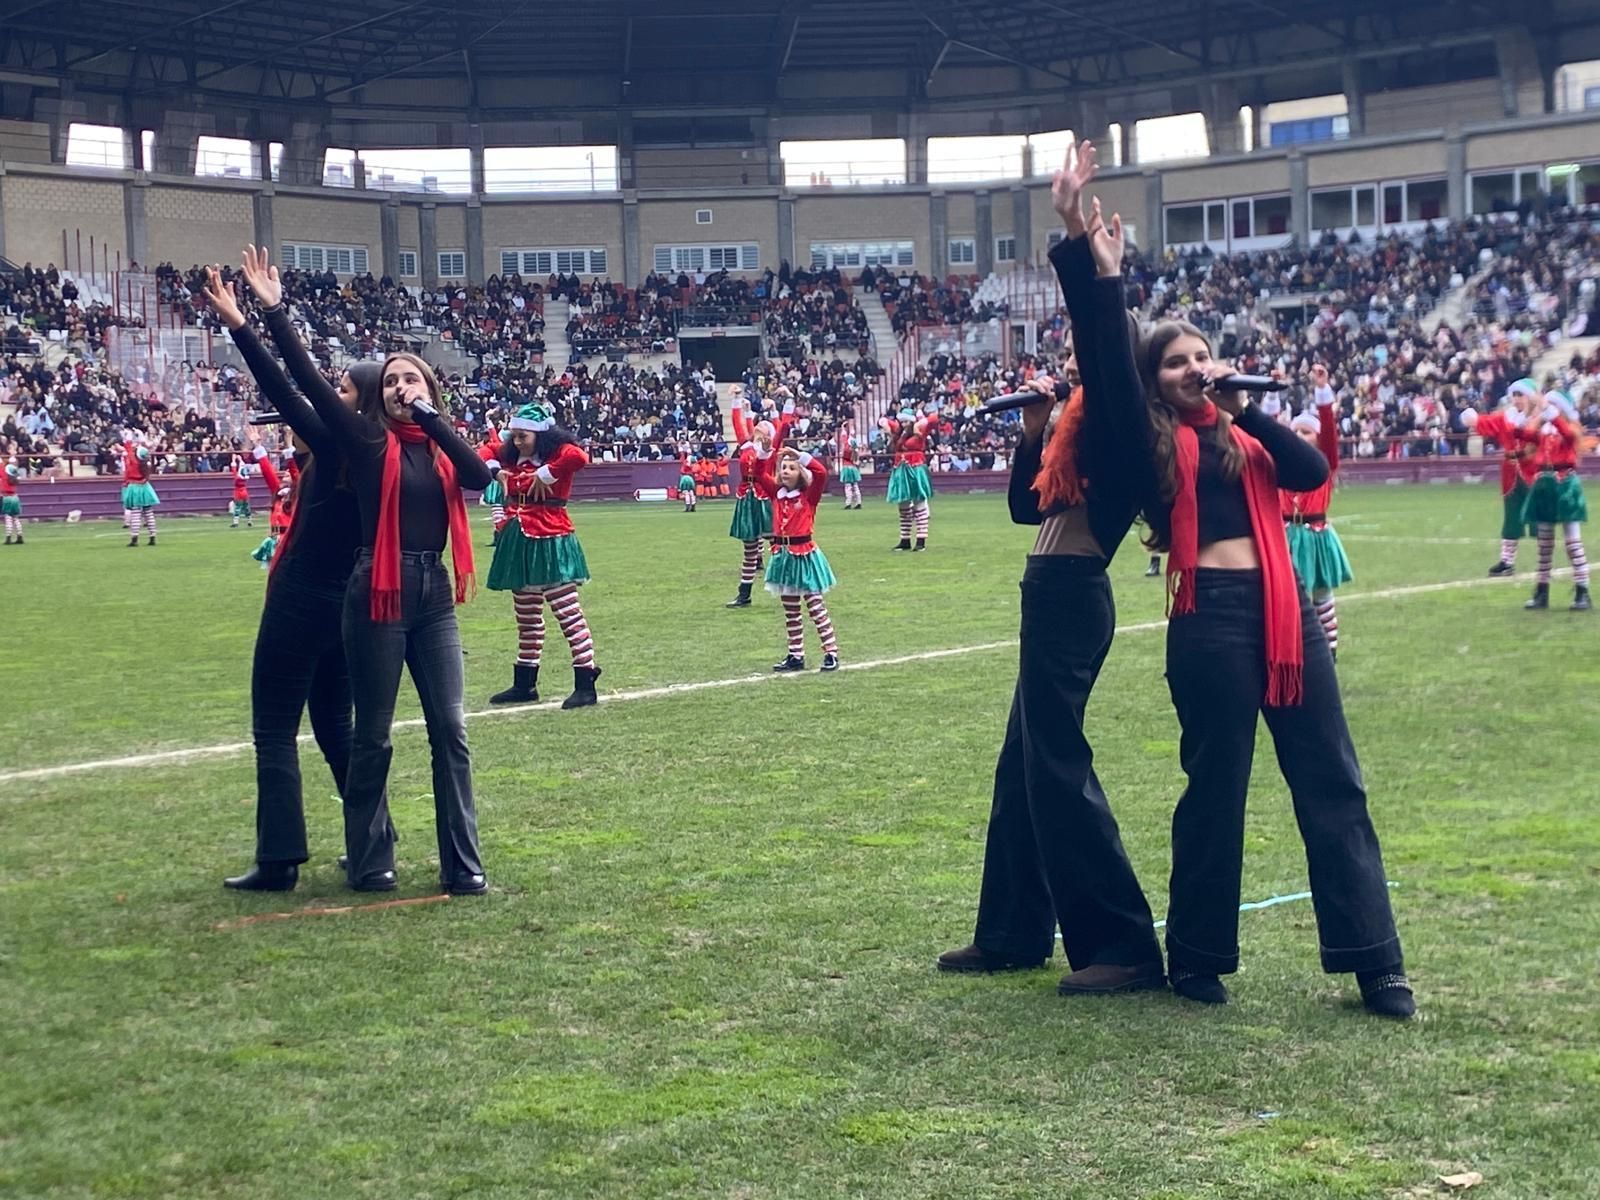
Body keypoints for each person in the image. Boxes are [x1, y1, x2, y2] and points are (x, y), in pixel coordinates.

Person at [1134, 316, 1412, 1018]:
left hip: (1286, 610)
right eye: (1175, 361)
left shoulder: (1247, 432)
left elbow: (1311, 472)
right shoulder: (1149, 438)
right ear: (1153, 380)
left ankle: (1376, 961)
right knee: (1215, 788)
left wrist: (1245, 409)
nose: (1194, 369)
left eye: (1202, 356)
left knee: (1333, 779)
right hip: (1208, 615)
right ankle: (1196, 956)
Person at [938, 145, 1164, 996]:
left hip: (1072, 601)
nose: (1072, 368)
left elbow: (1105, 352)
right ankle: (1011, 933)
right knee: (1022, 768)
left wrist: (1082, 248)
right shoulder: (1080, 431)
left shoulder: (1125, 427)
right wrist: (1034, 432)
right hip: (1049, 594)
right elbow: (1025, 512)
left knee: (1058, 768)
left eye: (1085, 360)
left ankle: (1125, 946)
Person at [241, 245, 492, 896]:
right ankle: (372, 859)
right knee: (370, 735)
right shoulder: (367, 441)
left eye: (413, 379)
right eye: (391, 383)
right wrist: (269, 314)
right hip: (374, 591)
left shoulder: (440, 448)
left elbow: (478, 476)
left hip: (431, 592)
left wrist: (431, 417)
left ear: (430, 388)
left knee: (450, 730)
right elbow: (298, 384)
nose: (402, 388)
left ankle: (463, 864)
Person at [207, 262, 390, 893]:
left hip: (302, 596)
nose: (332, 396)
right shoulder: (384, 450)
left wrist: (247, 323)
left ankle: (280, 857)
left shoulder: (342, 443)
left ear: (361, 400)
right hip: (349, 601)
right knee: (338, 726)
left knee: (274, 727)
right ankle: (375, 842)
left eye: (343, 389)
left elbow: (287, 390)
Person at [484, 401, 603, 709]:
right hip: (519, 542)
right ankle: (525, 683)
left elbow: (578, 456)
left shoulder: (557, 454)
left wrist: (548, 473)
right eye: (514, 436)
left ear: (540, 434)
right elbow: (484, 451)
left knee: (568, 614)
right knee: (527, 618)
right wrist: (497, 471)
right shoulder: (511, 455)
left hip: (551, 540)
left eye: (523, 436)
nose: (516, 442)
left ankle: (585, 680)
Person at [1282, 368, 1351, 656]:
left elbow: (1329, 432)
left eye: (1306, 432)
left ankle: (1329, 650)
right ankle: (1292, 650)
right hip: (1286, 535)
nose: (1299, 435)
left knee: (1322, 595)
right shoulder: (1281, 464)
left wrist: (1322, 392)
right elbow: (1266, 433)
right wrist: (1273, 394)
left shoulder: (1325, 463)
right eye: (1296, 431)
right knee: (1287, 595)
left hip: (1316, 536)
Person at [755, 441, 839, 672]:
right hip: (783, 558)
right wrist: (765, 452)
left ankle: (831, 652)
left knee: (815, 607)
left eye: (792, 468)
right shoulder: (776, 494)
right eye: (783, 467)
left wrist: (799, 455)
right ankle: (795, 654)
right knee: (791, 610)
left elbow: (820, 473)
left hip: (804, 557)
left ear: (801, 472)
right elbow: (759, 473)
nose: (786, 471)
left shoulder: (809, 496)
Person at [1521, 390, 1591, 612]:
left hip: (1565, 484)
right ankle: (1542, 591)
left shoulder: (1569, 428)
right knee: (1544, 544)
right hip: (1545, 484)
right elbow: (1524, 435)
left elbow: (1568, 435)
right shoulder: (1544, 430)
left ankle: (1582, 591)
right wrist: (1531, 413)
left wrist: (1550, 413)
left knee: (1573, 542)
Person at [1470, 379, 1542, 577]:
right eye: (1515, 395)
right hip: (1511, 475)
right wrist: (1474, 420)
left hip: (1534, 472)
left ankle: (1544, 560)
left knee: (1539, 518)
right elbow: (1489, 423)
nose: (1517, 399)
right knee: (1511, 517)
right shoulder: (1507, 417)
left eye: (1521, 395)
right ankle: (1507, 561)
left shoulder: (1540, 419)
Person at [725, 396, 791, 608]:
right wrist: (737, 401)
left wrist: (782, 405)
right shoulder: (746, 446)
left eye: (764, 425)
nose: (759, 425)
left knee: (777, 545)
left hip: (765, 498)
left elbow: (783, 427)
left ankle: (787, 586)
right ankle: (744, 594)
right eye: (758, 424)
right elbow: (738, 423)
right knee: (750, 551)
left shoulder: (772, 448)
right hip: (746, 499)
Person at [885, 407, 934, 551]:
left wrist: (921, 420)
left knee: (919, 503)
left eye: (907, 421)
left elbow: (934, 419)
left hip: (915, 468)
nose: (904, 424)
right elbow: (883, 420)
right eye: (903, 421)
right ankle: (905, 539)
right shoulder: (900, 433)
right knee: (903, 505)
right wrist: (888, 429)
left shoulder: (920, 431)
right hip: (901, 469)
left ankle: (921, 540)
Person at [121, 432, 159, 546]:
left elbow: (128, 447)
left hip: (134, 486)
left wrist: (128, 437)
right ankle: (152, 536)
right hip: (145, 486)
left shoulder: (133, 460)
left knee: (136, 513)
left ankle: (135, 538)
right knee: (148, 512)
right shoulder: (145, 464)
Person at [837, 433, 864, 509]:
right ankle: (858, 502)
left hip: (846, 468)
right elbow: (856, 461)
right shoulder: (855, 451)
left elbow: (843, 454)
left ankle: (848, 503)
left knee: (848, 486)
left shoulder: (846, 451)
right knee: (855, 486)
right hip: (853, 468)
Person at [1, 454, 22, 544]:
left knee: (8, 518)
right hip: (15, 497)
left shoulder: (4, 475)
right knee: (16, 518)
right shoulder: (15, 476)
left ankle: (8, 537)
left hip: (7, 497)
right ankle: (19, 536)